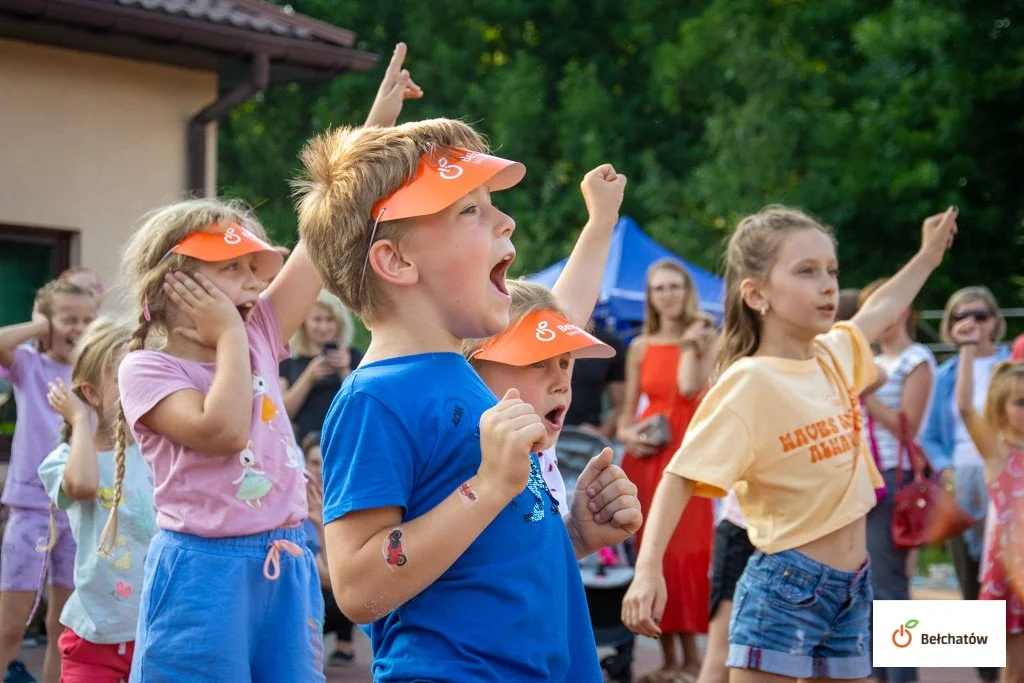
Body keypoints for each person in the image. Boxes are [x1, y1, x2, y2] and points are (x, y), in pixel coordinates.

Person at [299, 102, 642, 677]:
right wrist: (486, 487)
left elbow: (485, 556)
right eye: (471, 210)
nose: (506, 223)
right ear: (397, 260)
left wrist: (574, 536)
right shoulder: (373, 399)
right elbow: (358, 588)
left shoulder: (469, 374)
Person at [623, 205, 959, 681]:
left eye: (831, 271)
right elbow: (680, 475)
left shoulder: (835, 352)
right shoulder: (749, 381)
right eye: (806, 271)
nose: (827, 284)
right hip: (788, 586)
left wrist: (927, 255)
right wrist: (648, 569)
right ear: (757, 293)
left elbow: (880, 308)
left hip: (853, 585)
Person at [37, 320, 156, 682]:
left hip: (157, 630)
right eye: (126, 377)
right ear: (91, 392)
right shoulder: (64, 458)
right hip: (93, 637)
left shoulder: (161, 450)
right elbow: (85, 486)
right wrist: (78, 420)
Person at [616, 258, 716, 681]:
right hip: (647, 458)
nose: (668, 295)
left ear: (687, 291)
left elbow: (692, 387)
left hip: (690, 456)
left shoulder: (707, 336)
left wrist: (692, 344)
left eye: (675, 286)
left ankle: (694, 659)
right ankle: (671, 661)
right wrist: (631, 435)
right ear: (651, 296)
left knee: (687, 554)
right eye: (660, 288)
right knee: (654, 555)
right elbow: (623, 418)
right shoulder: (639, 345)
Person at [0, 279, 97, 683]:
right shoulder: (30, 365)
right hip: (32, 508)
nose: (78, 328)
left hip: (79, 510)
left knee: (64, 627)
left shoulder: (94, 373)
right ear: (47, 322)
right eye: (68, 319)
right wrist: (41, 326)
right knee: (11, 624)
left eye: (87, 320)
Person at [921, 285, 1008, 683]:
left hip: (1009, 482)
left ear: (995, 321)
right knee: (972, 580)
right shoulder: (946, 376)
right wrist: (946, 471)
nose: (971, 322)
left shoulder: (1013, 366)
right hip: (963, 481)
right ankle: (988, 673)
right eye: (960, 316)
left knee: (1011, 580)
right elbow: (931, 438)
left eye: (980, 314)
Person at [858, 278, 936, 683]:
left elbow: (908, 428)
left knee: (889, 588)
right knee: (869, 585)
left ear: (903, 309)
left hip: (892, 479)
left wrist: (865, 392)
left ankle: (900, 675)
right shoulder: (868, 359)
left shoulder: (916, 358)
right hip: (861, 482)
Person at [953, 333, 1024, 683]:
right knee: (1014, 669)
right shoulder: (999, 455)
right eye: (1021, 403)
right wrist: (967, 349)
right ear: (1000, 409)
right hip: (1012, 573)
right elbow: (965, 408)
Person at [299, 432, 355, 667]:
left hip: (329, 601)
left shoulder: (345, 502)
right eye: (314, 463)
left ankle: (345, 644)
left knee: (353, 576)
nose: (320, 471)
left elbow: (332, 576)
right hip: (300, 597)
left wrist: (321, 523)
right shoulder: (289, 504)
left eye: (326, 463)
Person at [279, 290, 364, 440]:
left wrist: (344, 371)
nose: (323, 327)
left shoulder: (355, 356)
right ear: (304, 322)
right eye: (317, 320)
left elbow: (363, 405)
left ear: (339, 322)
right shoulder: (289, 361)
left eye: (330, 319)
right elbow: (281, 412)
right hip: (305, 447)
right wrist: (308, 377)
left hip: (347, 438)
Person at [564, 321, 626, 441]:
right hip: (543, 435)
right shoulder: (544, 336)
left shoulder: (610, 342)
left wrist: (602, 433)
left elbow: (621, 403)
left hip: (584, 440)